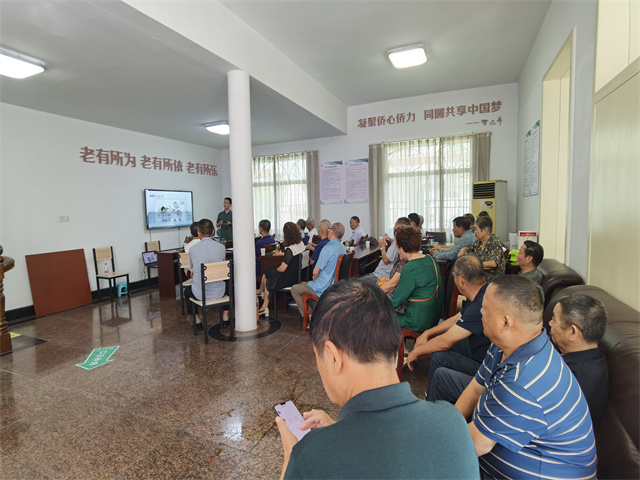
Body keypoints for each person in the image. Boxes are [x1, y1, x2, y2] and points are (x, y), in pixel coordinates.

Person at [275, 279, 480, 480]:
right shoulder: (453, 422)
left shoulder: (310, 458)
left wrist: (293, 460)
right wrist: (338, 430)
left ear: (332, 357)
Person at [455, 276, 597, 479]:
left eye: (485, 309)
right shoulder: (505, 346)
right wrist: (450, 424)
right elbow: (475, 388)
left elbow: (476, 444)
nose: (481, 312)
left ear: (506, 322)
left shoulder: (524, 380)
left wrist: (430, 442)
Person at [407, 256, 490, 403]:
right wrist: (428, 332)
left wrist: (416, 351)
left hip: (485, 368)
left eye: (455, 276)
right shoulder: (483, 292)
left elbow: (445, 341)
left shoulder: (480, 305)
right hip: (482, 354)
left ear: (461, 280)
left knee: (440, 356)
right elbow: (457, 318)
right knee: (450, 340)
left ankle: (432, 402)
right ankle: (436, 392)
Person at [549, 293, 609, 421]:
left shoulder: (575, 381)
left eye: (554, 319)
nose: (550, 323)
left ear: (573, 332)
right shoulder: (588, 354)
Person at [391, 226, 443, 332]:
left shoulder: (410, 268)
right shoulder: (431, 259)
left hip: (417, 321)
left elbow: (395, 301)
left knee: (380, 315)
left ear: (401, 248)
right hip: (434, 317)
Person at [291, 223, 346, 316]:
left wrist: (314, 276)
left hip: (323, 286)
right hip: (335, 285)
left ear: (332, 231)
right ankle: (317, 313)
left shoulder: (327, 248)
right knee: (306, 286)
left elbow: (315, 272)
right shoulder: (342, 247)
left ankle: (310, 316)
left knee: (295, 289)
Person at [184, 219, 228, 327]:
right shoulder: (222, 247)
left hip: (200, 294)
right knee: (229, 285)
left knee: (187, 291)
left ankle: (197, 321)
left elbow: (192, 268)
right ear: (213, 232)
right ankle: (225, 317)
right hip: (220, 292)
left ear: (198, 233)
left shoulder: (193, 249)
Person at [257, 222, 305, 316]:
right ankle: (264, 304)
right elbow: (294, 255)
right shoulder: (300, 244)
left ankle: (262, 296)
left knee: (268, 272)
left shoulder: (290, 249)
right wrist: (283, 254)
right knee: (268, 274)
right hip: (296, 276)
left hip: (288, 278)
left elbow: (282, 269)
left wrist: (277, 269)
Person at [360, 217, 410, 285]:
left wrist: (382, 247)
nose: (393, 227)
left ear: (400, 226)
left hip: (381, 275)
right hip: (380, 273)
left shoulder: (397, 242)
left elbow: (386, 260)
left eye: (395, 225)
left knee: (355, 283)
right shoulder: (402, 242)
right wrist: (390, 241)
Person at [458, 216, 505, 282]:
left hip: (491, 281)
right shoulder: (479, 242)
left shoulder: (494, 243)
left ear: (485, 231)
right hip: (478, 276)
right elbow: (469, 248)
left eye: (476, 229)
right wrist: (463, 249)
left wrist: (474, 265)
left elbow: (493, 263)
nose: (475, 232)